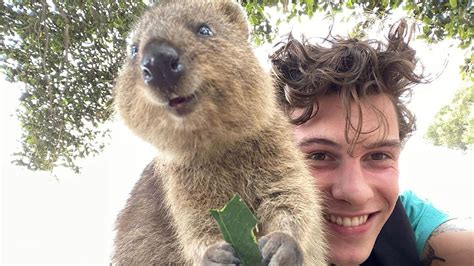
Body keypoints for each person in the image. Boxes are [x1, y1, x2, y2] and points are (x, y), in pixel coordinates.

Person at [270, 19, 473, 265]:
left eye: (378, 156)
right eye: (318, 156)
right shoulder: (229, 234)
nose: (356, 193)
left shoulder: (411, 219)